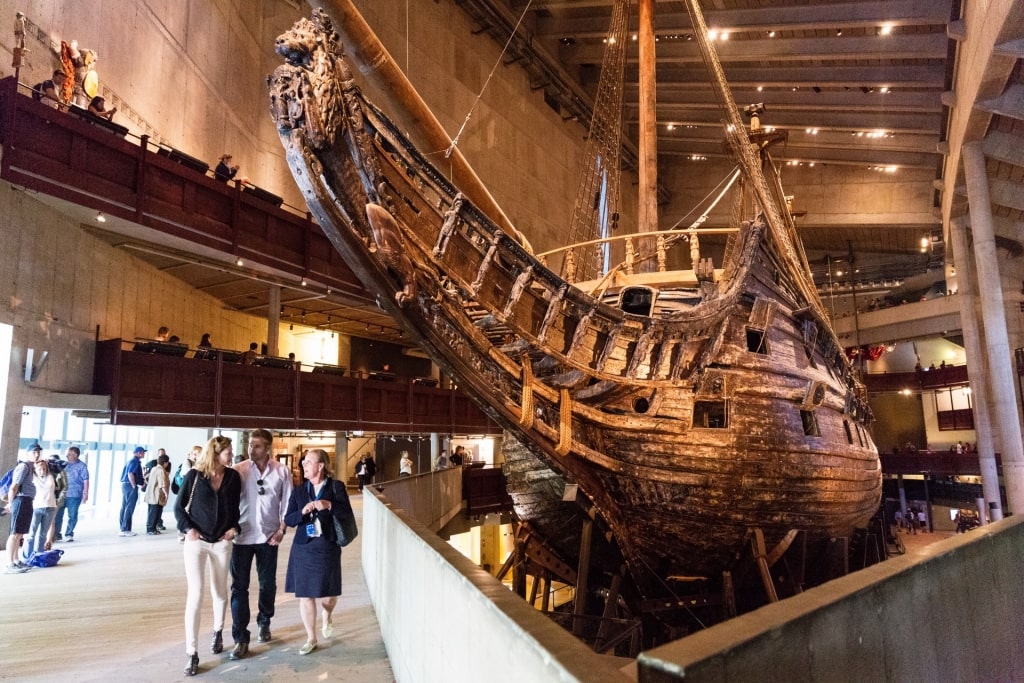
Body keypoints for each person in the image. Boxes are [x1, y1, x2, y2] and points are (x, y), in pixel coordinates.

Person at [175, 436, 242, 677]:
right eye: (228, 452)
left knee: (220, 591)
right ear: (215, 453)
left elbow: (235, 510)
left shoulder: (233, 477)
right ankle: (191, 653)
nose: (231, 455)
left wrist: (235, 529)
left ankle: (217, 631)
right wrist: (187, 528)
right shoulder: (194, 477)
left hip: (222, 542)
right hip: (196, 542)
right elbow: (179, 507)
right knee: (195, 594)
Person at [229, 429, 294, 660]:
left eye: (257, 445)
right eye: (250, 445)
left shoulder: (281, 471)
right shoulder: (238, 471)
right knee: (239, 587)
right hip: (242, 537)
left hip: (269, 537)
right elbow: (228, 503)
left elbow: (287, 502)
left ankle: (265, 621)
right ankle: (240, 638)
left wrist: (282, 529)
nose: (251, 449)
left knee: (267, 584)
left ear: (268, 448)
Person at [284, 449, 354, 656]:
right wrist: (302, 512)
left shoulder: (336, 487)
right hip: (304, 547)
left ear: (321, 465)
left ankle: (327, 613)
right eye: (303, 462)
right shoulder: (299, 491)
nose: (304, 466)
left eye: (308, 462)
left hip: (327, 545)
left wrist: (328, 504)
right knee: (305, 596)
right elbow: (289, 519)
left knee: (329, 595)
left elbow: (346, 512)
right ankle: (311, 637)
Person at [4, 443, 41, 573]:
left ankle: (16, 560)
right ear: (28, 453)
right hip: (20, 501)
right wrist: (10, 503)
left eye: (38, 452)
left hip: (26, 501)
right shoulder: (24, 467)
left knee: (19, 534)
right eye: (34, 452)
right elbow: (13, 487)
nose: (37, 455)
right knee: (14, 534)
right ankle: (9, 563)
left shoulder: (31, 467)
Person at [24, 458, 57, 560]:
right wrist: (34, 462)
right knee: (31, 534)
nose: (42, 471)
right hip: (36, 508)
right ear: (35, 470)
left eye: (44, 469)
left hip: (50, 507)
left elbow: (61, 465)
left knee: (43, 534)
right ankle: (28, 557)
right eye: (39, 469)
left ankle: (38, 556)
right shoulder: (32, 477)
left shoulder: (50, 476)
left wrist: (46, 462)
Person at [56, 446, 89, 542]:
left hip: (75, 494)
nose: (67, 455)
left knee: (72, 515)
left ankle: (69, 534)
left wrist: (85, 494)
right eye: (67, 454)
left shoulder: (82, 466)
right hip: (62, 494)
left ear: (76, 455)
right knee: (58, 515)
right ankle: (57, 534)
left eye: (70, 454)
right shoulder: (63, 464)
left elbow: (86, 480)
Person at [119, 445, 147, 537]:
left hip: (125, 485)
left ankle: (123, 528)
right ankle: (125, 529)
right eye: (143, 452)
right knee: (129, 507)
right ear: (139, 453)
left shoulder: (131, 461)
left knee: (125, 506)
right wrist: (134, 485)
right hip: (129, 485)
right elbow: (130, 473)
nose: (144, 454)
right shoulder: (135, 461)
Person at [145, 454, 171, 535]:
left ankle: (151, 528)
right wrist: (166, 494)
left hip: (150, 494)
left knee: (151, 512)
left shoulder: (154, 468)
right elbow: (162, 484)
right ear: (165, 463)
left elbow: (146, 477)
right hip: (157, 496)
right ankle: (151, 530)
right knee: (155, 513)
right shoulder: (161, 471)